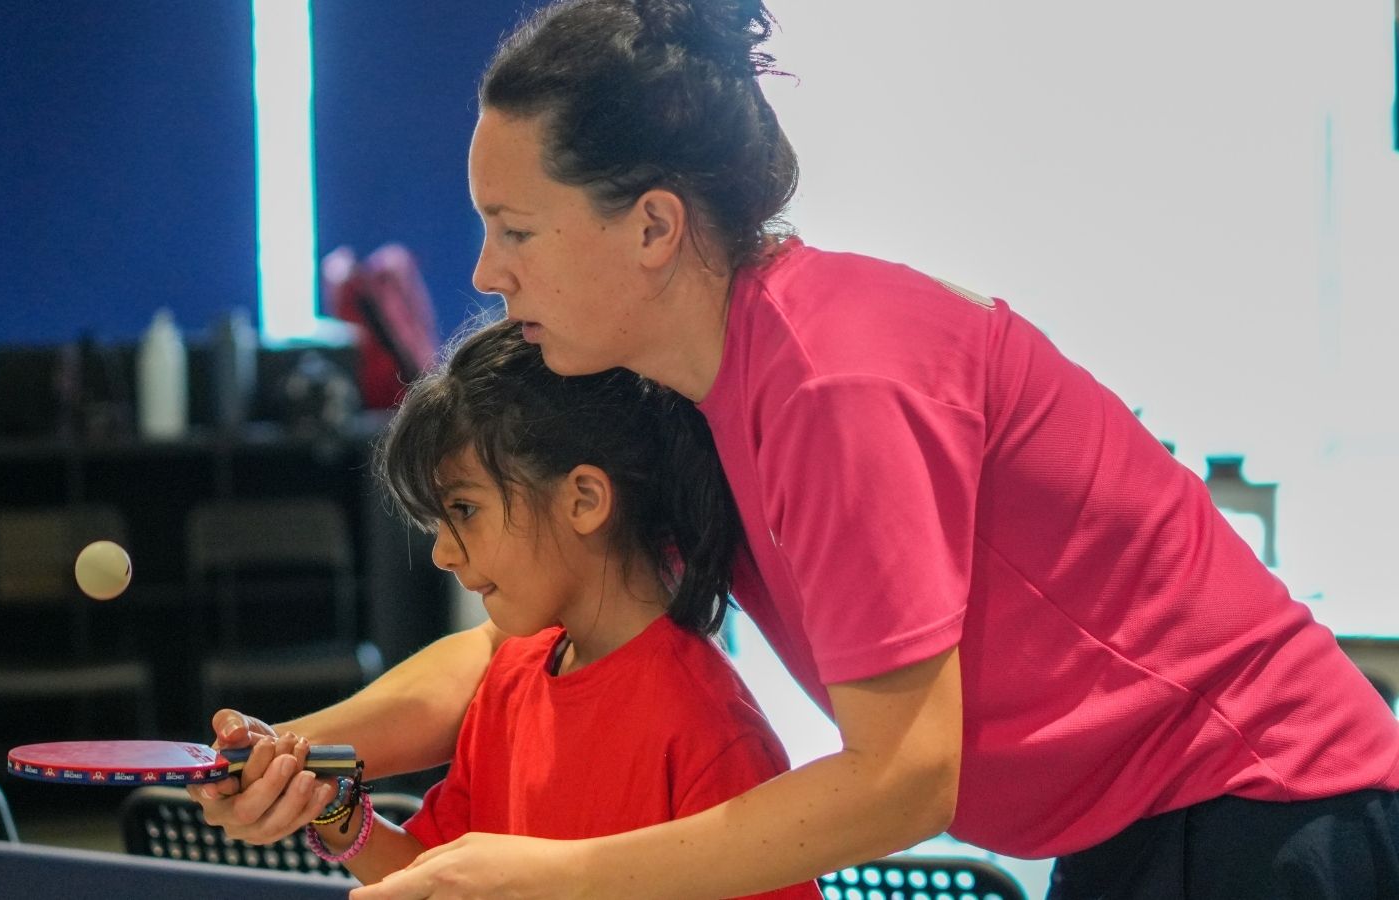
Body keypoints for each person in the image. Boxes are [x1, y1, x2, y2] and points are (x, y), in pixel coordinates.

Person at [193, 1, 1399, 896]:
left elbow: (897, 782)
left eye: (515, 228)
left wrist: (529, 879)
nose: (481, 273)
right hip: (1121, 830)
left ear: (653, 225)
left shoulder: (836, 373)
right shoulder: (684, 387)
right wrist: (309, 752)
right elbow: (537, 628)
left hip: (1271, 814)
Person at [198, 318, 819, 897]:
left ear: (584, 499)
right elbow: (448, 880)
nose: (442, 552)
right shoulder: (513, 675)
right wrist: (337, 811)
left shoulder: (713, 737)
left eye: (464, 510)